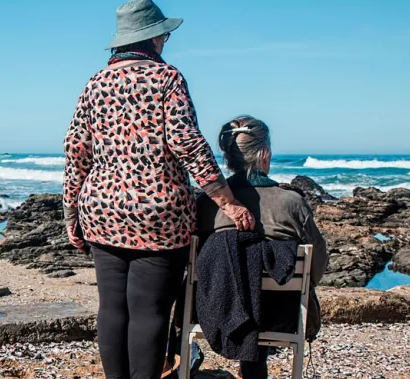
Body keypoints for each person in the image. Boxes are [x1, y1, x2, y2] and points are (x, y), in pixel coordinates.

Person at [62, 1, 256, 377]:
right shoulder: (168, 79)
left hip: (101, 210)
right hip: (159, 215)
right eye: (164, 35)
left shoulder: (95, 83)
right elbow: (187, 142)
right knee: (150, 310)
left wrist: (72, 213)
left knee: (112, 308)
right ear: (152, 37)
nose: (165, 42)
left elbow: (76, 151)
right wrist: (226, 201)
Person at [196, 115, 329, 379]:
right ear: (264, 154)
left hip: (214, 312)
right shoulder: (291, 203)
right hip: (281, 313)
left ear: (228, 158)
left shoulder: (207, 204)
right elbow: (317, 266)